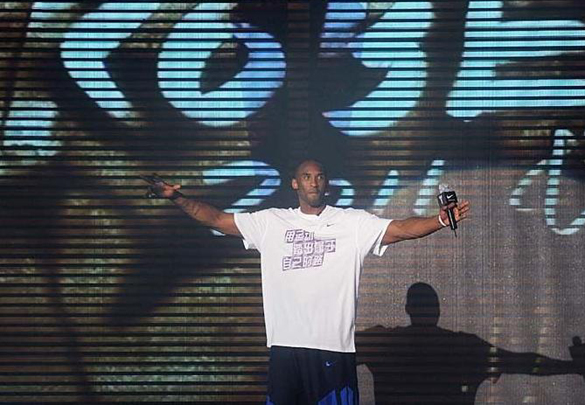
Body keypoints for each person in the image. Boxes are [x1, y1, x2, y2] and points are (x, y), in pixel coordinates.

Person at [142, 159, 470, 404]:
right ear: (295, 184)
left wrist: (439, 219)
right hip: (286, 349)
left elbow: (399, 228)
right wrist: (177, 198)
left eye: (319, 176)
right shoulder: (271, 222)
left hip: (332, 348)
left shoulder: (351, 222)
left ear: (326, 183)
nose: (313, 182)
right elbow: (217, 219)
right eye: (306, 177)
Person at [356, 282, 585, 404]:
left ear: (408, 309)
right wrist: (573, 367)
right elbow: (523, 362)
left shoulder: (383, 343)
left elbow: (333, 352)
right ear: (438, 310)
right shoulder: (464, 347)